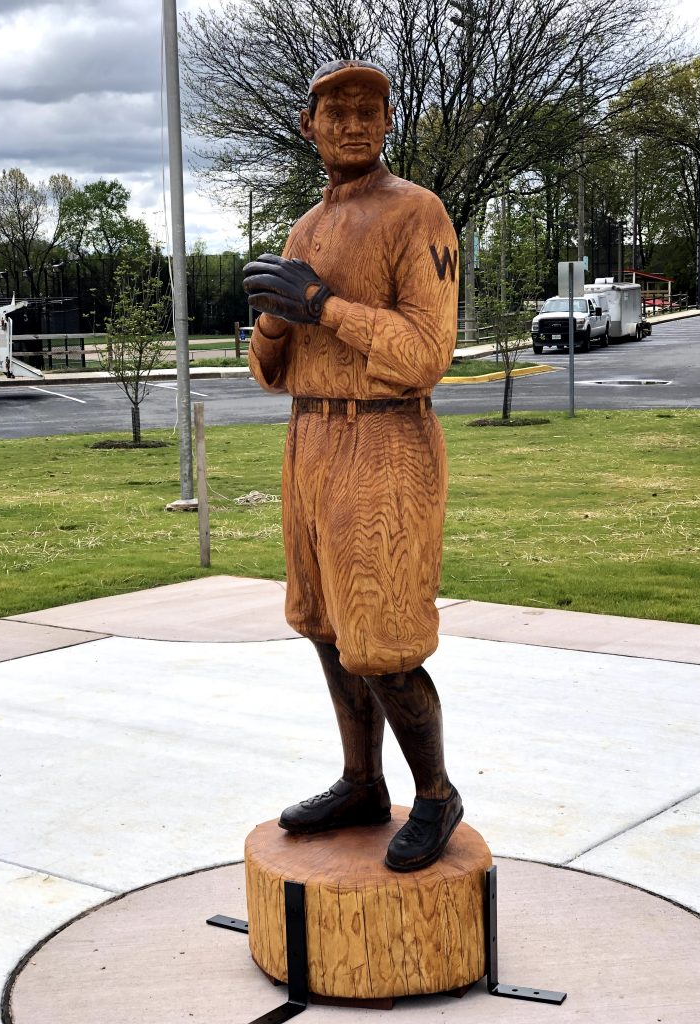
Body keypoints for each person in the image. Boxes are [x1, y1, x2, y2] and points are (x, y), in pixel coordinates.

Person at [242, 59, 462, 872]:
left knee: (386, 639)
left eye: (369, 108)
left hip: (384, 442)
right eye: (335, 111)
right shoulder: (306, 228)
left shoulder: (418, 214)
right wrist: (271, 319)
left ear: (390, 120)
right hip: (312, 441)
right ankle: (363, 780)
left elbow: (425, 354)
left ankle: (435, 792)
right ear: (309, 127)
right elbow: (273, 373)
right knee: (326, 626)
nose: (353, 123)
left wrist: (323, 306)